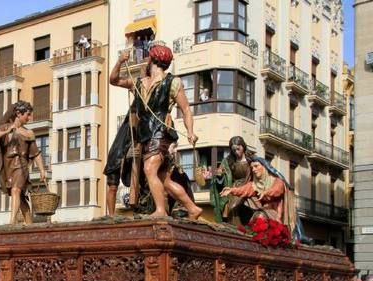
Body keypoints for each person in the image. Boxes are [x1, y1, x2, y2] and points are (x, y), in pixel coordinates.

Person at [108, 43, 202, 219]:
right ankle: (192, 208)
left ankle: (160, 210)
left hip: (160, 132)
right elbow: (113, 80)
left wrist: (190, 131)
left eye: (148, 57)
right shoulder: (139, 83)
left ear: (153, 59)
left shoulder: (172, 82)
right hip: (146, 135)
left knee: (150, 169)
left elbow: (186, 109)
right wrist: (120, 62)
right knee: (164, 180)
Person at [0, 101, 48, 224]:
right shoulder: (6, 127)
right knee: (21, 198)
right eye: (27, 114)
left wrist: (42, 170)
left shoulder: (28, 133)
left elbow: (36, 153)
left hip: (21, 165)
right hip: (8, 165)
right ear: (18, 113)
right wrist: (7, 130)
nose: (29, 117)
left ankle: (12, 221)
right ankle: (30, 224)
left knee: (16, 190)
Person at [220, 157, 297, 234]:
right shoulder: (255, 184)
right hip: (265, 211)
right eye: (252, 167)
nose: (253, 169)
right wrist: (231, 190)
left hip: (277, 213)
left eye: (256, 166)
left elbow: (277, 190)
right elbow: (244, 190)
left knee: (260, 216)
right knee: (253, 214)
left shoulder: (276, 180)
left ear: (264, 167)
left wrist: (266, 192)